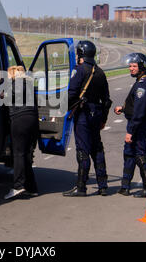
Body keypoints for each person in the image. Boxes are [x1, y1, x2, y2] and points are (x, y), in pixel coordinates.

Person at [62, 40, 112, 197]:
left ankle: (81, 186)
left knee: (83, 149)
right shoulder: (100, 72)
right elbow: (107, 100)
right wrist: (103, 118)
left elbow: (71, 93)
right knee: (97, 148)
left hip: (83, 113)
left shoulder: (79, 70)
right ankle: (103, 185)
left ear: (81, 54)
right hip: (97, 113)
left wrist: (64, 107)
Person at [114, 53, 146, 198]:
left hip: (139, 126)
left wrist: (130, 131)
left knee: (140, 155)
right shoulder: (140, 81)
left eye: (134, 66)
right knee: (129, 155)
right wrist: (124, 108)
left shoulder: (144, 84)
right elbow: (135, 106)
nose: (130, 69)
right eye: (130, 66)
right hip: (135, 123)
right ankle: (125, 186)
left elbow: (139, 111)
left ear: (142, 67)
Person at [4, 66, 39, 200]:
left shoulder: (17, 84)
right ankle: (32, 187)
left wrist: (4, 94)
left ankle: (18, 186)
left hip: (19, 119)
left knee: (18, 153)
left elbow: (10, 96)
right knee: (27, 155)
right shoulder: (29, 84)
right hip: (32, 120)